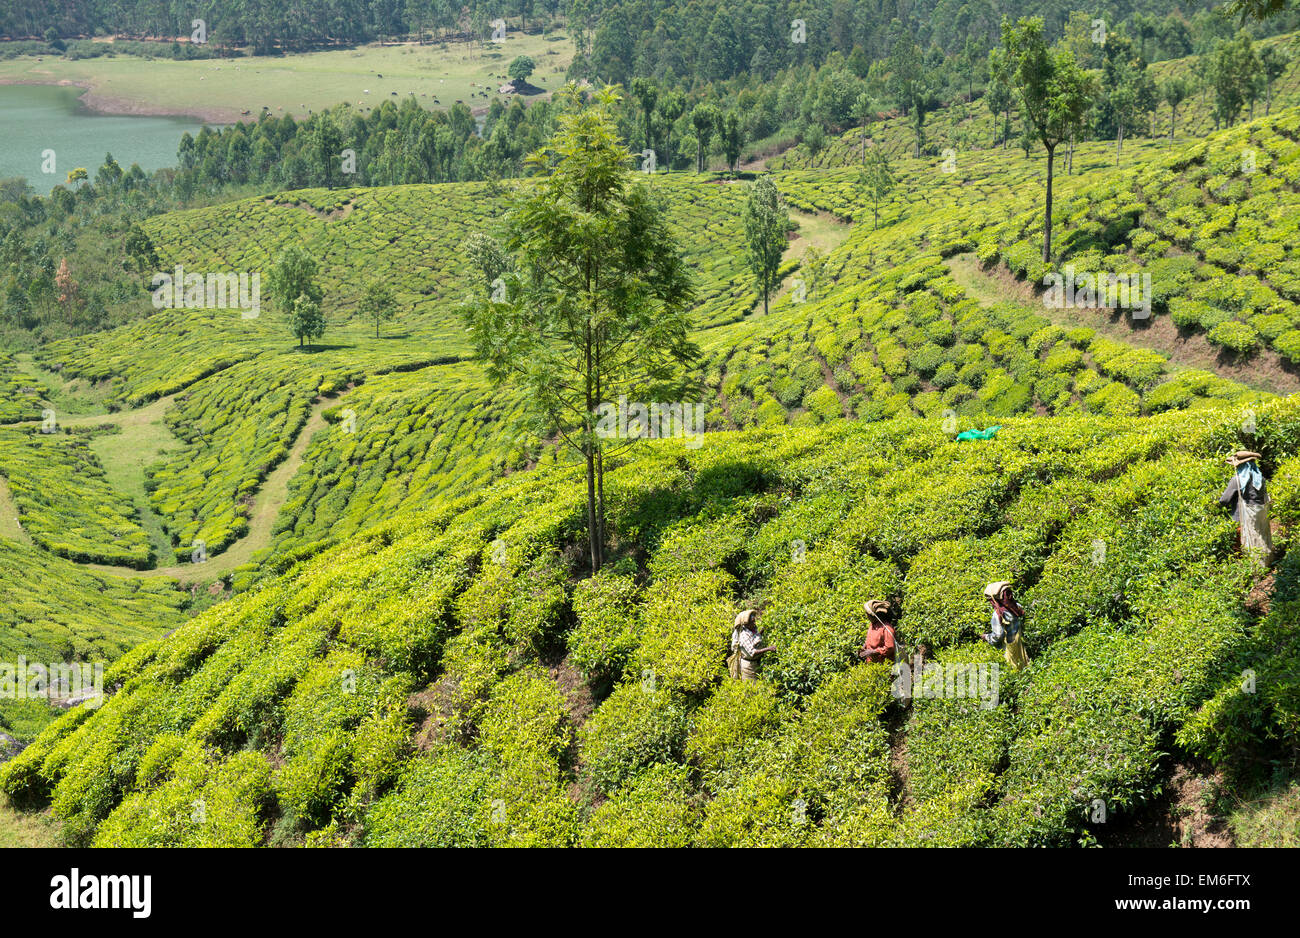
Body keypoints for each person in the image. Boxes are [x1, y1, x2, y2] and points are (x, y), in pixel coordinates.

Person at [1220, 450, 1275, 567]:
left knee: (1241, 545)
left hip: (1241, 518)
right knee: (1260, 538)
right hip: (1260, 516)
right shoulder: (1260, 479)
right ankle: (1264, 563)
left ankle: (1246, 568)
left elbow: (1224, 500)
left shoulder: (1237, 479)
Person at [982, 581, 1030, 671]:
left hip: (1008, 648)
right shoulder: (1016, 607)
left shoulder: (998, 615)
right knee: (1023, 666)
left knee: (1013, 670)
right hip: (1019, 644)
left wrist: (986, 637)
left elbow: (998, 636)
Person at [729, 609, 774, 680]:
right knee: (752, 686)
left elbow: (753, 640)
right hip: (748, 666)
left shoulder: (752, 629)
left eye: (754, 621)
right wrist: (768, 649)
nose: (754, 623)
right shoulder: (744, 635)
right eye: (752, 622)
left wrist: (761, 632)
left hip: (756, 663)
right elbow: (753, 652)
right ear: (746, 624)